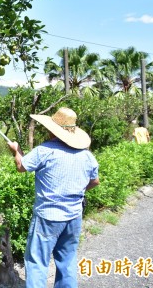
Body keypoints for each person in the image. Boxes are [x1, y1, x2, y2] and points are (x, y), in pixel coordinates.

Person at [8, 107, 100, 288]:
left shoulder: (45, 150)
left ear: (52, 129)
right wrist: (76, 192)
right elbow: (95, 181)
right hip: (74, 216)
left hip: (47, 217)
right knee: (67, 259)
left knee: (37, 262)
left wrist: (16, 150)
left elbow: (21, 166)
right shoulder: (87, 155)